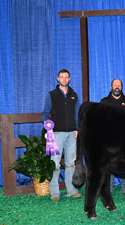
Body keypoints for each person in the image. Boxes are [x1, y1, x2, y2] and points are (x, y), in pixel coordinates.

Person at [42, 69, 82, 202]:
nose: (64, 79)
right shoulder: (51, 95)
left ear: (69, 79)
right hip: (56, 134)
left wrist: (77, 129)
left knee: (71, 164)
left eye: (66, 77)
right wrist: (49, 129)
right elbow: (45, 114)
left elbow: (77, 114)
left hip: (72, 134)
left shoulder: (74, 95)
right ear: (58, 79)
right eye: (62, 77)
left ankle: (71, 190)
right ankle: (55, 193)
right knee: (55, 164)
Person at [100, 79, 125, 195]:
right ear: (111, 87)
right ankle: (109, 187)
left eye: (119, 85)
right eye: (115, 85)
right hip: (109, 137)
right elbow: (101, 120)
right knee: (109, 162)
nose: (117, 87)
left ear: (122, 87)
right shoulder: (104, 102)